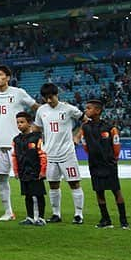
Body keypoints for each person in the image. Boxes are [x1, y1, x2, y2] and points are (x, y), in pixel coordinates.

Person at [0, 65, 39, 221]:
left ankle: (35, 213)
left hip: (18, 144)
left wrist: (36, 126)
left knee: (28, 178)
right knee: (2, 178)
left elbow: (35, 107)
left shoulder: (18, 93)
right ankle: (8, 212)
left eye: (0, 75)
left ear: (8, 77)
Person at [35, 83, 85, 224]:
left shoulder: (68, 109)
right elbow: (38, 129)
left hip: (67, 153)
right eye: (46, 98)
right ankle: (56, 214)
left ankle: (78, 215)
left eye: (51, 97)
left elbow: (85, 121)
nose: (49, 101)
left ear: (57, 94)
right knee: (53, 185)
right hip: (49, 154)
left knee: (74, 183)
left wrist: (77, 136)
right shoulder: (41, 111)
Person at [81, 99, 129, 229]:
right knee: (99, 192)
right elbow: (84, 144)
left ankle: (123, 221)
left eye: (89, 108)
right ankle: (105, 219)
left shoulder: (110, 127)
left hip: (109, 164)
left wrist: (114, 159)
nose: (86, 110)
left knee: (116, 191)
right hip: (95, 164)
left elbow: (116, 144)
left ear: (97, 111)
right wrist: (92, 156)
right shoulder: (85, 128)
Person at [12, 112, 48, 226]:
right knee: (27, 195)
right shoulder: (16, 140)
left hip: (35, 171)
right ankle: (30, 217)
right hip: (23, 171)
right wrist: (16, 171)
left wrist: (43, 171)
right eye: (17, 123)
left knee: (39, 194)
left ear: (29, 123)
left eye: (22, 122)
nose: (19, 125)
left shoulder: (36, 137)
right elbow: (14, 156)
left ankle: (41, 218)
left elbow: (42, 155)